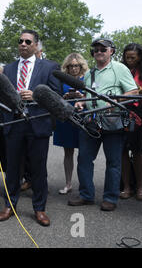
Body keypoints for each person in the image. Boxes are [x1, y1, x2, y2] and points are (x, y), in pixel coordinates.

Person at [0, 29, 61, 227]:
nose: (23, 44)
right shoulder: (8, 68)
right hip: (14, 124)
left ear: (36, 45)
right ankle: (10, 205)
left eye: (27, 41)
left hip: (38, 123)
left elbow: (56, 95)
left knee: (38, 169)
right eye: (20, 41)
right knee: (12, 168)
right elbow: (0, 96)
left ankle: (39, 209)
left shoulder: (49, 67)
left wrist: (36, 95)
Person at [68, 39, 138, 212]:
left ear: (111, 51)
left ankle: (110, 198)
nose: (98, 51)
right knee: (84, 159)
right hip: (91, 122)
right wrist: (81, 103)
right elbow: (87, 96)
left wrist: (115, 100)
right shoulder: (90, 73)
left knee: (113, 162)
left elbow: (134, 92)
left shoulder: (120, 69)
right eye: (96, 49)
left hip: (113, 121)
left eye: (103, 49)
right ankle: (86, 195)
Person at [120, 43, 142, 201]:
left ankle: (140, 188)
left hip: (137, 113)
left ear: (140, 57)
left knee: (137, 150)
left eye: (133, 57)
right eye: (127, 57)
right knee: (122, 151)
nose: (130, 60)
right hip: (120, 111)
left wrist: (134, 88)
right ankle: (126, 187)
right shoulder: (120, 69)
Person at [53, 53, 88, 194]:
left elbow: (93, 96)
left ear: (81, 66)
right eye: (71, 66)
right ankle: (68, 184)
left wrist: (82, 97)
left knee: (84, 153)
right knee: (68, 152)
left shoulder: (86, 78)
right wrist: (65, 97)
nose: (74, 68)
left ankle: (84, 185)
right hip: (66, 118)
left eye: (76, 66)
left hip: (82, 117)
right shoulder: (62, 80)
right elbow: (55, 96)